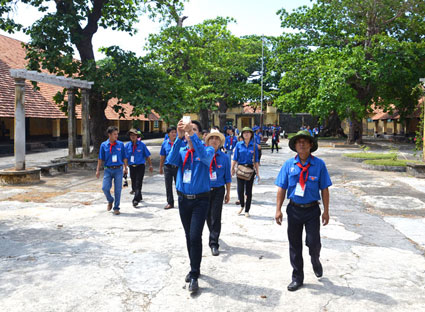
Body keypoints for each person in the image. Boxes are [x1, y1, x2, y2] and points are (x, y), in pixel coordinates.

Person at [275, 130, 332, 292]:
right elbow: (282, 188)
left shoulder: (319, 165)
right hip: (293, 210)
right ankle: (297, 277)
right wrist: (278, 209)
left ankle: (315, 259)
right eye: (299, 142)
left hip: (312, 210)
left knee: (313, 242)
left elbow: (325, 189)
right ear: (295, 146)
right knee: (295, 245)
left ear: (311, 145)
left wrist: (326, 211)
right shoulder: (288, 165)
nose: (301, 144)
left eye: (305, 141)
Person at [166, 119, 215, 293]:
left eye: (193, 130)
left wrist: (193, 136)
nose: (189, 132)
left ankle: (194, 275)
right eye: (187, 130)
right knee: (188, 236)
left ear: (200, 134)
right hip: (183, 200)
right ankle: (195, 266)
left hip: (200, 200)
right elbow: (170, 161)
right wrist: (179, 138)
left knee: (195, 236)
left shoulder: (207, 149)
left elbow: (206, 157)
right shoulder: (181, 150)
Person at [205, 129, 231, 256]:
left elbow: (227, 177)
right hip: (204, 190)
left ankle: (214, 243)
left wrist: (228, 193)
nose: (214, 140)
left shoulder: (225, 157)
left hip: (219, 190)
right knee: (207, 216)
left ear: (220, 142)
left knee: (216, 216)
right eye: (212, 138)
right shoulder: (203, 155)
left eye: (217, 138)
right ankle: (212, 233)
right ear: (208, 141)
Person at [96, 126, 128, 215]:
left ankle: (116, 207)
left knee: (118, 190)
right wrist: (97, 170)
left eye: (117, 134)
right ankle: (110, 200)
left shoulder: (120, 144)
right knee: (105, 188)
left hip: (118, 169)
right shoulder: (104, 145)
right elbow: (100, 158)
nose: (116, 136)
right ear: (109, 135)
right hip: (108, 170)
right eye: (114, 134)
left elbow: (124, 157)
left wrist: (126, 168)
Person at [231, 127, 260, 217]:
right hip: (240, 169)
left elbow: (256, 160)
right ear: (242, 135)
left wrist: (258, 173)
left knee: (248, 191)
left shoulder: (254, 146)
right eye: (244, 133)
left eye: (248, 133)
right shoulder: (239, 145)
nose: (246, 134)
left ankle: (247, 210)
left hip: (250, 170)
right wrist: (232, 169)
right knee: (240, 190)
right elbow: (235, 158)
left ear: (251, 135)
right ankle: (242, 205)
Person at [125, 128, 153, 207]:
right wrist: (125, 167)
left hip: (140, 166)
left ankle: (135, 200)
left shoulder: (142, 145)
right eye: (131, 135)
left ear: (137, 136)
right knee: (133, 183)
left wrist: (150, 165)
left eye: (134, 135)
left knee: (138, 182)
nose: (133, 137)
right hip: (131, 166)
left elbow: (147, 156)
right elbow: (125, 157)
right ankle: (139, 196)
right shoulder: (127, 146)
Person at [159, 126, 180, 209]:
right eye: (172, 132)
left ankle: (181, 200)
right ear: (168, 134)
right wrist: (160, 167)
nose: (174, 134)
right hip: (167, 167)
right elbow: (162, 156)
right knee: (168, 185)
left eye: (175, 132)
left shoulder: (180, 142)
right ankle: (170, 202)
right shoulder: (165, 143)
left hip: (177, 167)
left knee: (178, 185)